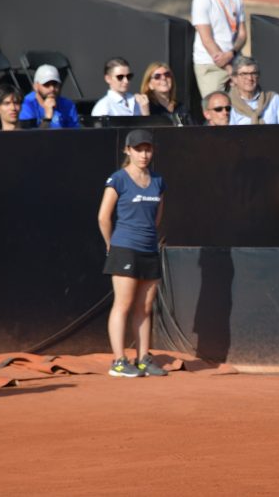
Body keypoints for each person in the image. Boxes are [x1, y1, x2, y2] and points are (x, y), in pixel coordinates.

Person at [98, 129, 167, 378]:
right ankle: (118, 361)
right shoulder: (118, 179)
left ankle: (143, 358)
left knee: (145, 306)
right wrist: (111, 244)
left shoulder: (158, 181)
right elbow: (104, 216)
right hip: (124, 248)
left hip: (149, 249)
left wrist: (148, 237)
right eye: (138, 149)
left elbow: (157, 216)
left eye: (148, 149)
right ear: (128, 150)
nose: (144, 154)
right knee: (123, 304)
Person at [191, 0, 246, 98]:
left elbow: (242, 34)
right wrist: (228, 67)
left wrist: (232, 54)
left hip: (235, 61)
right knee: (217, 109)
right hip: (210, 64)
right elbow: (207, 40)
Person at [228, 56, 279, 125]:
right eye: (244, 74)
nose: (250, 78)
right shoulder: (228, 103)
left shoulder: (273, 99)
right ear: (234, 78)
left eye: (253, 73)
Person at [19, 64, 79, 129]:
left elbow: (75, 133)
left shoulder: (68, 105)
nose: (52, 88)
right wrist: (47, 118)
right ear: (35, 86)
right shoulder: (27, 104)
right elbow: (30, 137)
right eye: (46, 84)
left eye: (55, 84)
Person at [140, 62, 193, 126]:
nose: (163, 78)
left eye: (167, 74)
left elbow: (194, 130)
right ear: (150, 85)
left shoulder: (181, 108)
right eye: (157, 76)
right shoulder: (147, 107)